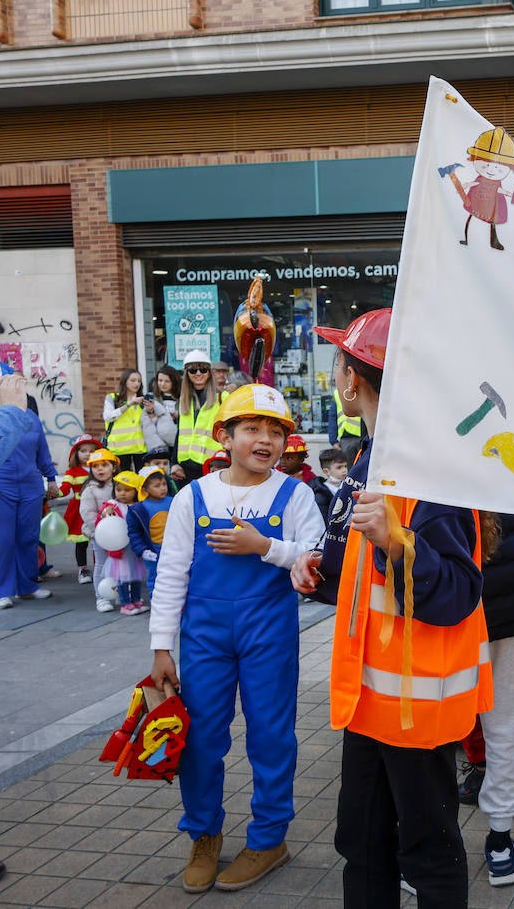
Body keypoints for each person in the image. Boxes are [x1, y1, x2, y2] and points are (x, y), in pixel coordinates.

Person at [288, 309, 493, 907]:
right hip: (370, 702)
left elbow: (456, 591)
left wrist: (397, 543)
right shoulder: (370, 457)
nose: (335, 376)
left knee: (428, 854)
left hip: (415, 708)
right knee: (362, 844)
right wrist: (321, 573)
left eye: (339, 364)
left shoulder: (424, 469)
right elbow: (366, 576)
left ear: (354, 379)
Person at [149, 383, 325, 893]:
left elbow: (317, 559)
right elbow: (171, 576)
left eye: (275, 431)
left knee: (271, 736)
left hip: (269, 630)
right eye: (251, 429)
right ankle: (204, 836)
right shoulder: (192, 496)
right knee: (201, 739)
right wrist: (162, 648)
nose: (264, 440)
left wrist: (264, 545)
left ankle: (269, 838)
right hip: (202, 637)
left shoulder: (294, 495)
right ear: (224, 435)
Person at [457, 512, 514, 888]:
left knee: (438, 732)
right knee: (503, 728)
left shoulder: (422, 460)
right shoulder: (508, 458)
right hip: (493, 608)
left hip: (452, 613)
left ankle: (493, 837)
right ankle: (499, 840)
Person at [0, 373, 59, 610]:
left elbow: (42, 451)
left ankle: (27, 586)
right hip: (3, 484)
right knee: (3, 538)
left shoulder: (32, 418)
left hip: (30, 486)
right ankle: (3, 589)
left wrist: (51, 479)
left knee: (28, 537)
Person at [100, 470, 150, 616]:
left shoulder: (139, 505)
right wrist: (105, 512)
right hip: (120, 549)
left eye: (127, 490)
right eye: (118, 489)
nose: (122, 493)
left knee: (135, 575)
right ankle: (125, 602)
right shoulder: (112, 505)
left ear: (136, 491)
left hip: (134, 547)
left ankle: (136, 599)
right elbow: (103, 516)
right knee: (122, 576)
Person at [172, 351, 226, 483]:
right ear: (187, 374)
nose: (198, 373)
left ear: (209, 372)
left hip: (214, 467)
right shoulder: (184, 400)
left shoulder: (223, 398)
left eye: (203, 369)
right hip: (185, 470)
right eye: (192, 370)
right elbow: (179, 434)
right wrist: (174, 463)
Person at [58, 433, 103, 584]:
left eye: (91, 451)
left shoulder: (101, 468)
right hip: (79, 509)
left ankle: (100, 567)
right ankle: (83, 570)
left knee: (101, 540)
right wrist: (54, 492)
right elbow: (65, 489)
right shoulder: (72, 472)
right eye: (83, 451)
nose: (87, 454)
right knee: (82, 541)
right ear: (76, 453)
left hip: (99, 507)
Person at [81, 448, 120, 613]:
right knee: (101, 565)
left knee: (119, 565)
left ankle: (115, 592)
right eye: (95, 466)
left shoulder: (119, 486)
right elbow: (87, 513)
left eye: (104, 465)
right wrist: (100, 530)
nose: (100, 469)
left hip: (119, 535)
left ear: (114, 467)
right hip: (100, 535)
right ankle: (101, 597)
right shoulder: (90, 489)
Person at [128, 466, 173, 601]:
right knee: (154, 577)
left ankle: (175, 602)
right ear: (144, 489)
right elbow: (134, 532)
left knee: (175, 576)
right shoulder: (138, 509)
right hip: (153, 550)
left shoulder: (174, 501)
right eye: (157, 486)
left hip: (173, 548)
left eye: (164, 484)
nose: (163, 488)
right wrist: (143, 550)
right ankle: (156, 601)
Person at [103, 368, 154, 471]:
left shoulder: (143, 401)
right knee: (121, 482)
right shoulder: (112, 398)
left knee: (142, 482)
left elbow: (152, 424)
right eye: (133, 380)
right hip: (118, 449)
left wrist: (151, 410)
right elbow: (108, 417)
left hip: (140, 449)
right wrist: (129, 404)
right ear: (124, 381)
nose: (136, 384)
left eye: (139, 381)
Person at [329, 387, 365, 463]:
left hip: (363, 438)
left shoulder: (364, 389)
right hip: (347, 439)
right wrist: (333, 441)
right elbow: (333, 416)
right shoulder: (337, 393)